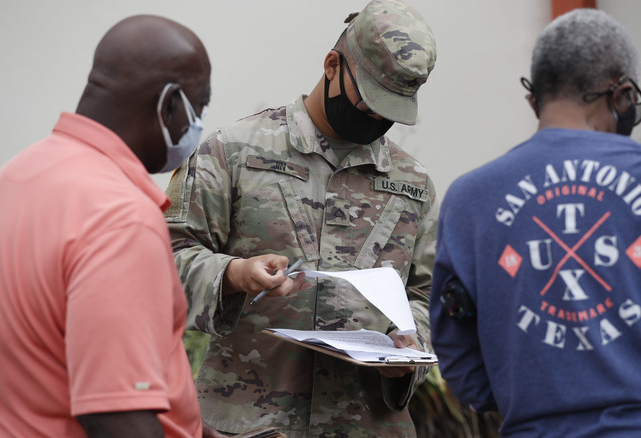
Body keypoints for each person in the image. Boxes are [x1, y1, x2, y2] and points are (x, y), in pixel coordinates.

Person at [429, 8, 641, 437]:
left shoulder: (469, 199)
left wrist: (537, 396)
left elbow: (458, 356)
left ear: (534, 100)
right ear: (623, 97)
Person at [164, 0, 437, 436]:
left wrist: (409, 350)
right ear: (332, 66)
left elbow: (424, 294)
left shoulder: (413, 182)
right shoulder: (233, 152)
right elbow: (163, 263)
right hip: (251, 423)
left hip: (367, 425)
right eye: (369, 103)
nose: (377, 119)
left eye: (391, 110)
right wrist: (234, 274)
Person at [0, 15, 214, 438]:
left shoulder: (11, 178)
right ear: (169, 105)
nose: (198, 126)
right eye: (198, 107)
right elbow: (117, 418)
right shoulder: (120, 217)